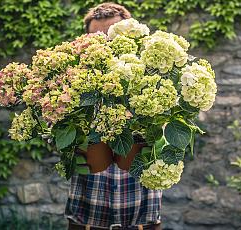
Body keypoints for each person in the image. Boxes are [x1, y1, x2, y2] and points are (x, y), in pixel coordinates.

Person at [64, 3, 163, 230]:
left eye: (110, 36)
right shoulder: (70, 81)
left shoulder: (154, 75)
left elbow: (167, 140)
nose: (104, 45)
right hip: (88, 215)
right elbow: (58, 141)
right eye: (95, 38)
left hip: (141, 214)